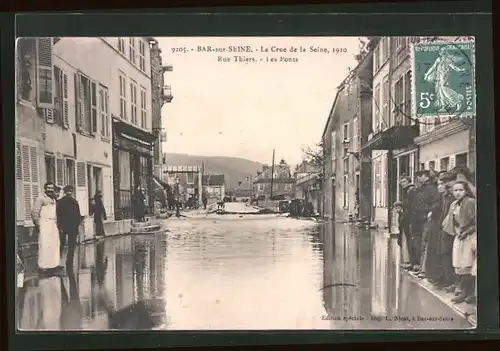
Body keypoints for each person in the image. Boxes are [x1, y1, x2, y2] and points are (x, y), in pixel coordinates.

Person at [446, 181, 476, 304]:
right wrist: (457, 231)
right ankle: (463, 291)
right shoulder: (453, 205)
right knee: (459, 264)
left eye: (460, 190)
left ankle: (469, 293)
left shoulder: (471, 203)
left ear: (466, 191)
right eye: (455, 190)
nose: (458, 193)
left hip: (470, 236)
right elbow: (452, 222)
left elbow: (477, 221)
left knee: (468, 264)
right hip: (459, 236)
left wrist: (467, 231)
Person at [410, 170, 441, 274]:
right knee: (419, 243)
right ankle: (421, 267)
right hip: (418, 219)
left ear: (425, 176)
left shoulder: (431, 189)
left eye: (419, 176)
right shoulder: (420, 189)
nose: (418, 179)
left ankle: (424, 269)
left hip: (425, 219)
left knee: (424, 243)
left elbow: (436, 203)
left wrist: (430, 212)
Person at [31, 182, 61, 275]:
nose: (50, 190)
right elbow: (34, 212)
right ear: (45, 188)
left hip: (53, 224)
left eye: (52, 188)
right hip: (44, 224)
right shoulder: (40, 199)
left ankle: (54, 265)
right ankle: (44, 266)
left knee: (55, 244)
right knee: (45, 245)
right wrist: (38, 224)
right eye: (48, 188)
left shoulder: (54, 199)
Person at [435, 171, 458, 290]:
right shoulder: (445, 196)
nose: (443, 186)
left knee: (450, 254)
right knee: (444, 254)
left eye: (444, 183)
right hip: (445, 228)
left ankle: (452, 281)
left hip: (452, 229)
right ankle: (447, 278)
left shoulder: (454, 195)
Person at [56, 185, 82, 268]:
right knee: (61, 244)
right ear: (64, 192)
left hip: (73, 227)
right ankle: (57, 262)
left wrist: (77, 225)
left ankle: (69, 262)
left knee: (71, 245)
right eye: (68, 191)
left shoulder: (75, 202)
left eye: (70, 191)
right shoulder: (60, 202)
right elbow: (58, 215)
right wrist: (59, 226)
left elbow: (78, 215)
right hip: (63, 226)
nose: (69, 193)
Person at [397, 175, 417, 270]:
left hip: (409, 219)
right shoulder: (406, 191)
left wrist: (404, 214)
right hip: (406, 219)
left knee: (410, 240)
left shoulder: (410, 191)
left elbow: (410, 206)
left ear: (409, 181)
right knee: (407, 240)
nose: (402, 184)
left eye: (404, 181)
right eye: (401, 182)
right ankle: (409, 261)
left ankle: (412, 262)